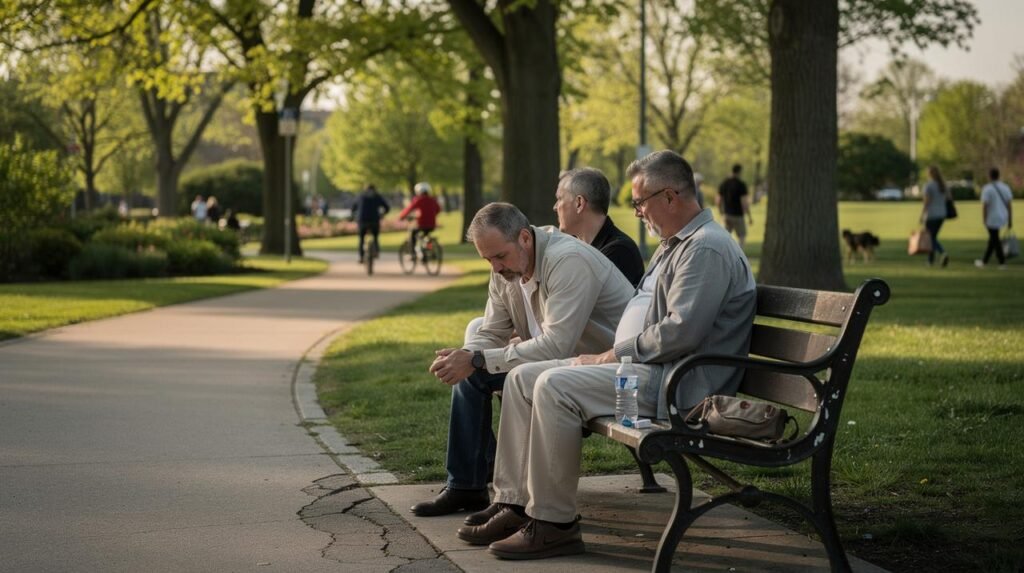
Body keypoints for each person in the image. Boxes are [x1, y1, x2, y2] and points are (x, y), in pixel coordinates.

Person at [457, 150, 756, 560]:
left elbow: (680, 333)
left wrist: (610, 355)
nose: (637, 212)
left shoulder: (706, 249)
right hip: (646, 369)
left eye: (640, 202)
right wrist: (611, 357)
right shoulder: (677, 246)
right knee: (523, 377)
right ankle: (514, 502)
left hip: (677, 385)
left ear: (670, 196)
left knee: (553, 385)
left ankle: (554, 524)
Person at [412, 203, 634, 520]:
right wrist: (466, 356)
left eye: (500, 256)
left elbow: (557, 345)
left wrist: (477, 359)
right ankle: (466, 486)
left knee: (485, 367)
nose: (495, 268)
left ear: (525, 238)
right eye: (487, 260)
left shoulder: (567, 260)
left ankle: (516, 506)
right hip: (561, 364)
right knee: (472, 373)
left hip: (607, 368)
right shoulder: (507, 269)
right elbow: (492, 331)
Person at [553, 167, 645, 286]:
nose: (555, 207)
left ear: (579, 203)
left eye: (560, 198)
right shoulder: (575, 249)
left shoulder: (619, 252)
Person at [975, 167, 1014, 270]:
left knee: (995, 240)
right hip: (1003, 217)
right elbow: (1009, 205)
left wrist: (984, 219)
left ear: (989, 176)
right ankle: (984, 261)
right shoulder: (1005, 187)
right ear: (998, 175)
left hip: (992, 218)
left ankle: (1002, 262)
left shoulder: (987, 189)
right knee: (993, 239)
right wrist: (1010, 219)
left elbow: (985, 206)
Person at [399, 182, 443, 259]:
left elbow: (409, 209)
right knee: (426, 237)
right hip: (432, 225)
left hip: (422, 224)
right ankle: (429, 249)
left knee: (413, 233)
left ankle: (412, 253)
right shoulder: (433, 200)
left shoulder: (418, 200)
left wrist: (402, 216)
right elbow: (438, 209)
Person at [351, 184, 390, 263]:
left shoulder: (360, 196)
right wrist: (382, 214)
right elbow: (387, 207)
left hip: (362, 220)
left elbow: (353, 208)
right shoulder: (377, 196)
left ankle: (361, 257)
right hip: (374, 220)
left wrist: (355, 216)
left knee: (361, 239)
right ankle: (376, 252)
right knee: (375, 237)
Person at [716, 164, 753, 247]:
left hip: (727, 215)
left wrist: (721, 212)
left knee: (725, 237)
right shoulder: (741, 184)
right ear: (739, 172)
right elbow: (744, 202)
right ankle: (738, 254)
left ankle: (724, 253)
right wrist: (749, 216)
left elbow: (718, 200)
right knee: (742, 236)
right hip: (738, 215)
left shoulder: (724, 183)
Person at [921, 166, 950, 267]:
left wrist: (922, 214)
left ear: (930, 174)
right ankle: (930, 261)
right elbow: (948, 198)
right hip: (942, 214)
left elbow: (927, 202)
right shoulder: (943, 185)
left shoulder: (929, 186)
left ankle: (942, 252)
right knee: (932, 237)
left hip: (931, 214)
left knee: (930, 238)